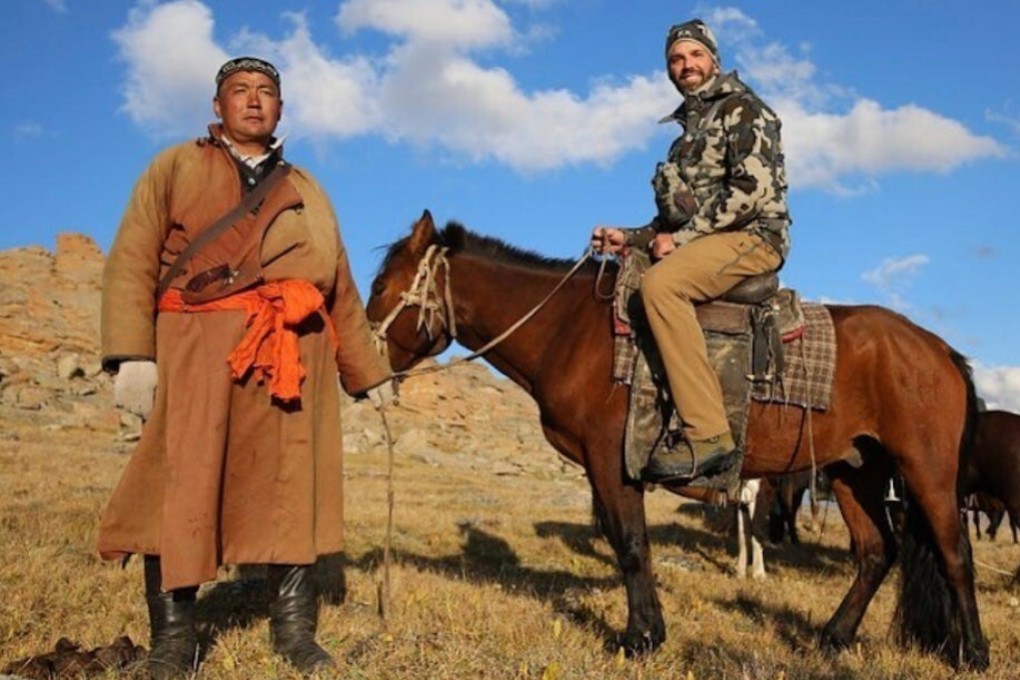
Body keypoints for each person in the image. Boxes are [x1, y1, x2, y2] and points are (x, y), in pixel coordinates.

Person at [99, 56, 396, 678]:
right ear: (217, 107)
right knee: (181, 485)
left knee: (291, 486)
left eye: (266, 92)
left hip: (293, 353)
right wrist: (133, 354)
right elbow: (132, 254)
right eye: (240, 91)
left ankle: (294, 633)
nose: (254, 101)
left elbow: (338, 281)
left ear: (281, 110)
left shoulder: (309, 188)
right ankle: (175, 640)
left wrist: (366, 372)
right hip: (196, 346)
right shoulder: (175, 165)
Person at [591, 19, 790, 484]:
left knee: (660, 286)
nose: (686, 65)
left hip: (754, 236)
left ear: (713, 60)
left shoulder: (744, 109)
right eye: (676, 60)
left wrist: (679, 242)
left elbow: (751, 192)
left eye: (694, 55)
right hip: (710, 238)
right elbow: (670, 223)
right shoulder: (684, 139)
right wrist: (629, 237)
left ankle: (709, 434)